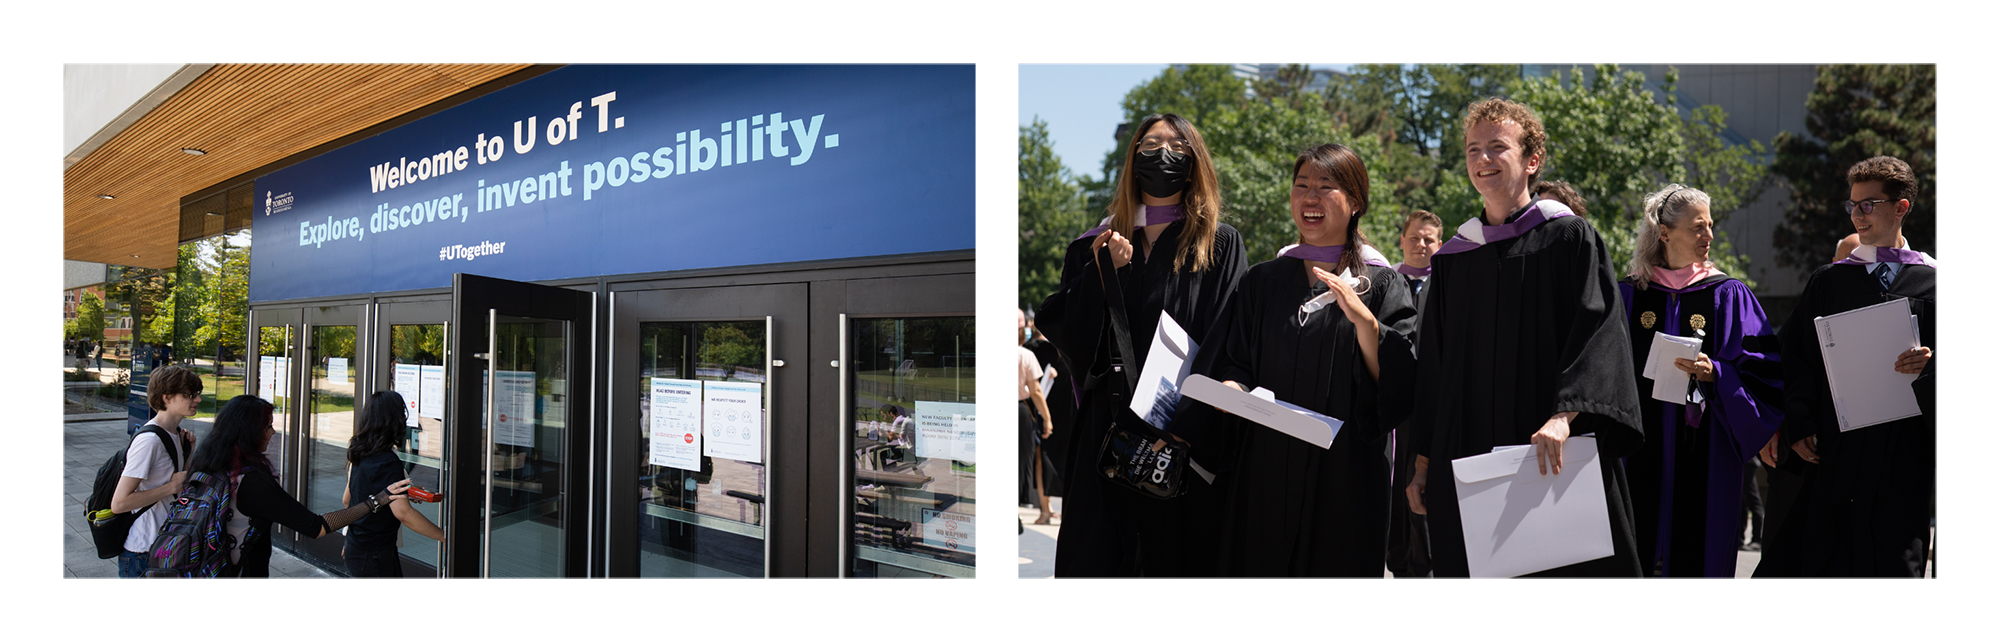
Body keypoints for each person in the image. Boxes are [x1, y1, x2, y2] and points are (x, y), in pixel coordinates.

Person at [1403, 98, 1645, 578]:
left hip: (1548, 446)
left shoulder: (1570, 240)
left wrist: (1564, 415)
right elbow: (1436, 366)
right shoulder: (1454, 259)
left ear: (1532, 160)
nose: (1483, 159)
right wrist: (1423, 460)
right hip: (1469, 447)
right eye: (1474, 149)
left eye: (1498, 147)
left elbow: (1598, 333)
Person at [1175, 143, 1417, 577]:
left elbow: (1400, 385)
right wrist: (1231, 388)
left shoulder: (1381, 285)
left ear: (1356, 201)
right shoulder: (1262, 282)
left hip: (1344, 475)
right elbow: (1235, 360)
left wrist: (1365, 323)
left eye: (1326, 187)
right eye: (1301, 185)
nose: (1310, 198)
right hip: (1264, 469)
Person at [1038, 112, 1247, 578]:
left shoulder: (1219, 245)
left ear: (1195, 162)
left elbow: (1226, 338)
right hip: (1105, 432)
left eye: (1176, 147)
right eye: (1150, 145)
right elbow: (1070, 339)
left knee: (1174, 561)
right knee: (1098, 559)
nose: (1162, 155)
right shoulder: (1093, 245)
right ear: (1133, 158)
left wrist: (1184, 425)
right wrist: (1100, 273)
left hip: (1182, 432)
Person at [1755, 156, 1936, 579]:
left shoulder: (1934, 283)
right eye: (1852, 205)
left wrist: (1932, 366)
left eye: (1868, 204)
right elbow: (1796, 360)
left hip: (1903, 455)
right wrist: (1797, 425)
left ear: (1901, 207)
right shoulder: (1830, 281)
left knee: (1893, 564)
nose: (1857, 214)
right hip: (1836, 454)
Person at [1617, 184, 1783, 578]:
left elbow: (1762, 372)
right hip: (1636, 450)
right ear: (1665, 232)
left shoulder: (1727, 294)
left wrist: (1718, 373)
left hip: (1706, 453)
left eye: (1710, 226)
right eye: (1697, 227)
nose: (1708, 236)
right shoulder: (1629, 295)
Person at [189, 395, 410, 578]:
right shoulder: (251, 482)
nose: (273, 433)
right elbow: (317, 527)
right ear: (249, 432)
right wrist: (376, 501)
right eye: (268, 426)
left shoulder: (208, 464)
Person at [1385, 207, 1443, 579]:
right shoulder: (1385, 283)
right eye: (1414, 238)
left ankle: (1425, 569)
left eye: (1429, 239)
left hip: (1433, 404)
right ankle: (1396, 563)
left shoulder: (1449, 284)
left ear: (1439, 244)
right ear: (1402, 241)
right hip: (1392, 405)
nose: (1421, 245)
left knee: (1423, 485)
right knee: (1392, 484)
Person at [109, 364, 201, 579]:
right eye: (189, 394)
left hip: (166, 543)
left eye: (197, 393)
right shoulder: (149, 441)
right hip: (143, 551)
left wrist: (188, 454)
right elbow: (120, 503)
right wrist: (171, 486)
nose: (197, 399)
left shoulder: (175, 434)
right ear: (167, 398)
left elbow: (176, 485)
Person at [342, 390, 446, 578]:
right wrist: (443, 536)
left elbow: (347, 499)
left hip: (356, 547)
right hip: (375, 553)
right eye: (403, 414)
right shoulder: (388, 462)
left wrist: (404, 493)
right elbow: (403, 513)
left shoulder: (359, 452)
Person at [998, 309, 1057, 524]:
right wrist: (1047, 418)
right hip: (1019, 411)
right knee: (1020, 460)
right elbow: (1036, 391)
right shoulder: (1025, 355)